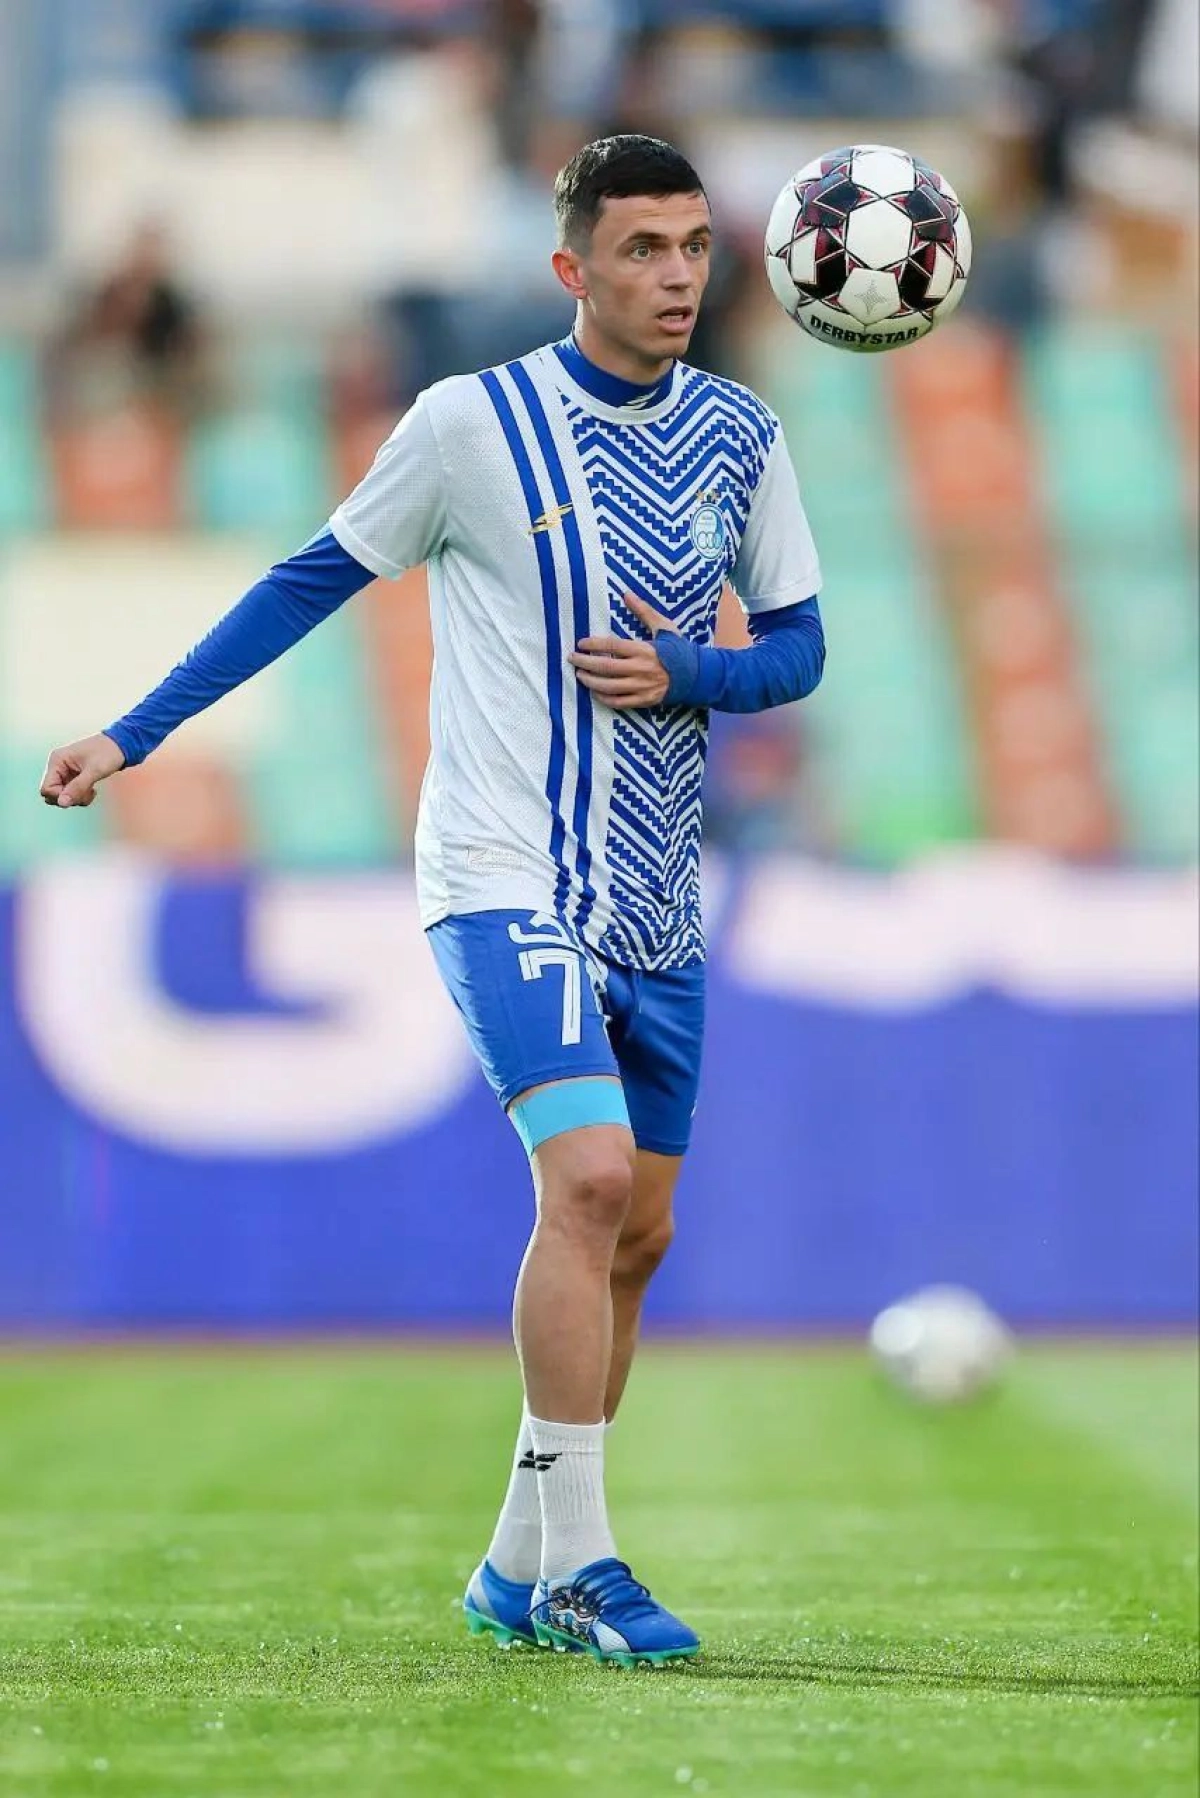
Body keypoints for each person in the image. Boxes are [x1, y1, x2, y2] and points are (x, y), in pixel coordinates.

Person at [40, 135, 825, 1666]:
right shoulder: (471, 425)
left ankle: (514, 1566)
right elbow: (310, 578)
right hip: (498, 867)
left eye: (692, 247)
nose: (676, 275)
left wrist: (689, 670)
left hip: (658, 893)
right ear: (571, 268)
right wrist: (135, 731)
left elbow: (796, 649)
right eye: (643, 248)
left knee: (640, 1231)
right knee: (586, 1178)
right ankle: (587, 1563)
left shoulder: (742, 434)